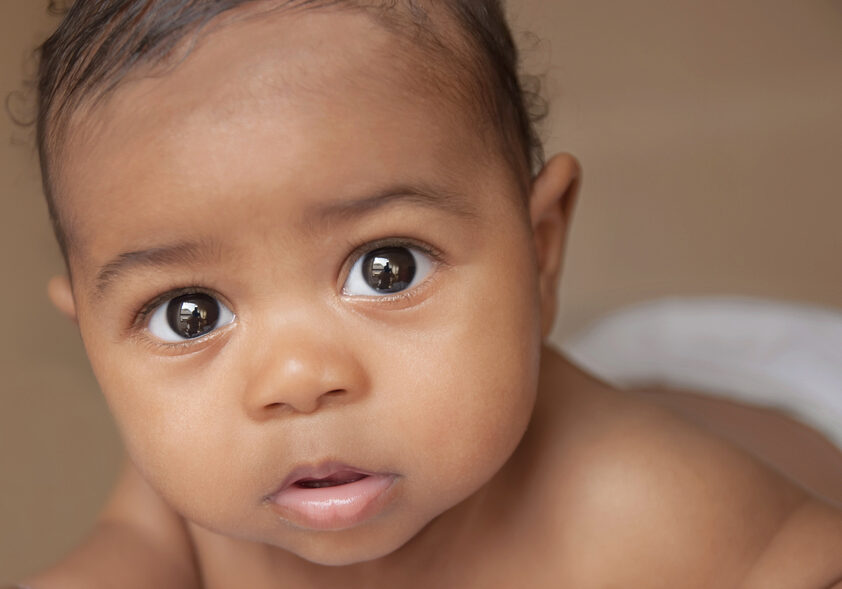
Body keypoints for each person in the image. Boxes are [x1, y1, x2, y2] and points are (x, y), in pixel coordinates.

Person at [14, 1, 842, 587]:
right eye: (189, 315)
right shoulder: (204, 464)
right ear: (93, 338)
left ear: (540, 252)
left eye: (387, 267)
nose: (297, 378)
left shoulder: (640, 507)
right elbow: (127, 545)